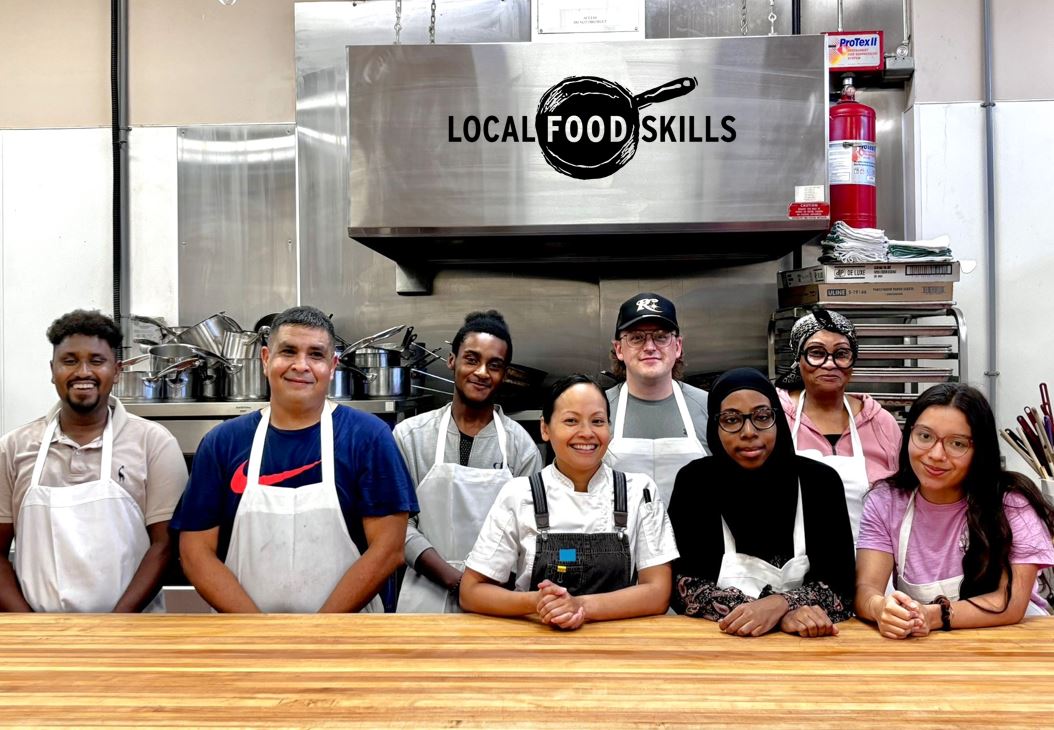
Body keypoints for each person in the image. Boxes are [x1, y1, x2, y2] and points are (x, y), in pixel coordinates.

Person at [173, 306, 417, 613]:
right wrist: (257, 630)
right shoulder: (223, 443)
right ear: (265, 359)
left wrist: (318, 632)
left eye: (316, 355)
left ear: (333, 365)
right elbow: (195, 552)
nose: (301, 365)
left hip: (345, 638)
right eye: (288, 351)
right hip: (246, 640)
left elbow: (388, 550)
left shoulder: (368, 438)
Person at [0, 310, 187, 612]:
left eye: (97, 361)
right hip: (38, 640)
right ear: (52, 370)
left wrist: (115, 624)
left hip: (130, 633)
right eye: (69, 360)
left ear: (117, 370)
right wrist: (29, 626)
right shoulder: (13, 448)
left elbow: (165, 547)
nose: (83, 372)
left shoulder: (154, 443)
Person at [460, 375, 678, 629]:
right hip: (537, 645)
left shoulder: (640, 492)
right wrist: (539, 601)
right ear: (545, 428)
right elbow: (472, 591)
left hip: (620, 649)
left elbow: (658, 592)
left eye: (597, 421)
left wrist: (580, 606)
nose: (586, 433)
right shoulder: (519, 494)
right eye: (571, 421)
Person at [668, 368, 855, 638]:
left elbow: (843, 587)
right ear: (714, 425)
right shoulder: (695, 483)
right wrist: (763, 613)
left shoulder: (820, 483)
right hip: (717, 646)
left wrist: (780, 605)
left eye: (762, 417)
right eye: (732, 420)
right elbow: (681, 586)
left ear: (777, 419)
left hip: (809, 646)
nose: (749, 432)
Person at [855, 384, 1054, 638]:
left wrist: (935, 614)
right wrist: (881, 608)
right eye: (925, 436)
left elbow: (1011, 603)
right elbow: (866, 589)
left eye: (957, 444)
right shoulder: (886, 501)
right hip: (930, 644)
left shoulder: (1011, 503)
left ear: (979, 450)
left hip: (1012, 639)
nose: (936, 455)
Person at [394, 310, 542, 613]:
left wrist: (487, 590)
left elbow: (533, 533)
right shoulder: (410, 436)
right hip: (424, 597)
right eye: (472, 359)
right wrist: (457, 582)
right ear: (453, 361)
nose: (482, 372)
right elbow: (398, 526)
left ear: (505, 374)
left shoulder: (521, 447)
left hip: (500, 597)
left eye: (495, 365)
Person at [775, 308, 901, 539]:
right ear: (798, 360)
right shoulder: (774, 418)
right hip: (795, 564)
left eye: (841, 354)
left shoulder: (881, 423)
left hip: (870, 557)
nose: (830, 364)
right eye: (816, 353)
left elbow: (902, 500)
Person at [604, 292, 708, 506]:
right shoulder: (598, 409)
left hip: (693, 538)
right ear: (619, 349)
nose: (650, 347)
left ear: (677, 346)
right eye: (636, 337)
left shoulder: (709, 407)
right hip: (621, 538)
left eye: (661, 336)